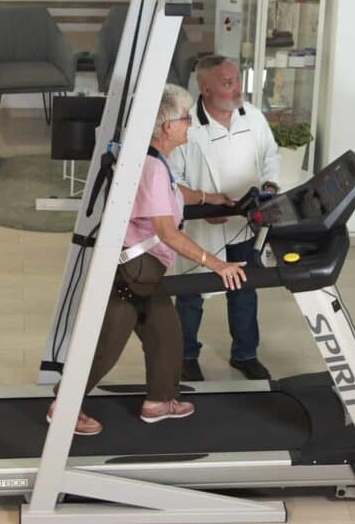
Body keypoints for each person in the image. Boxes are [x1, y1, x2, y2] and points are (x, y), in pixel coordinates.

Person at [48, 84, 249, 436]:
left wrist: (211, 198)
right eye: (186, 119)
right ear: (167, 127)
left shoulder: (153, 158)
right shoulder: (152, 167)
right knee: (107, 345)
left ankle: (159, 401)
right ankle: (63, 407)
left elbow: (173, 192)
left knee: (167, 334)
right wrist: (218, 264)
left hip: (143, 270)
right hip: (133, 272)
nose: (191, 124)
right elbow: (168, 233)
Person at [168, 54, 280, 382]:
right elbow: (171, 180)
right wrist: (204, 205)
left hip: (246, 222)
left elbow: (270, 155)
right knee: (192, 293)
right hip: (204, 225)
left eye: (237, 81)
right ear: (206, 89)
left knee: (245, 290)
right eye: (227, 83)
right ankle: (186, 355)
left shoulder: (254, 118)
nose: (237, 90)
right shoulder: (187, 129)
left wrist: (270, 184)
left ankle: (245, 354)